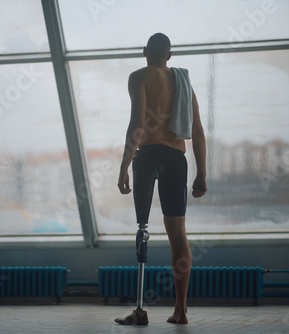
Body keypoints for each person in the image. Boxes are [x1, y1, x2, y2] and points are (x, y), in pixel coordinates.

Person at [117, 33, 207, 325]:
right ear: (170, 55)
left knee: (143, 228)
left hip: (147, 156)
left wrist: (124, 166)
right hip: (175, 158)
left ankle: (140, 310)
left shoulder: (139, 76)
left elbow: (138, 125)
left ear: (145, 52)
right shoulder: (183, 81)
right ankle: (180, 311)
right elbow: (198, 132)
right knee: (178, 236)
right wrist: (201, 173)